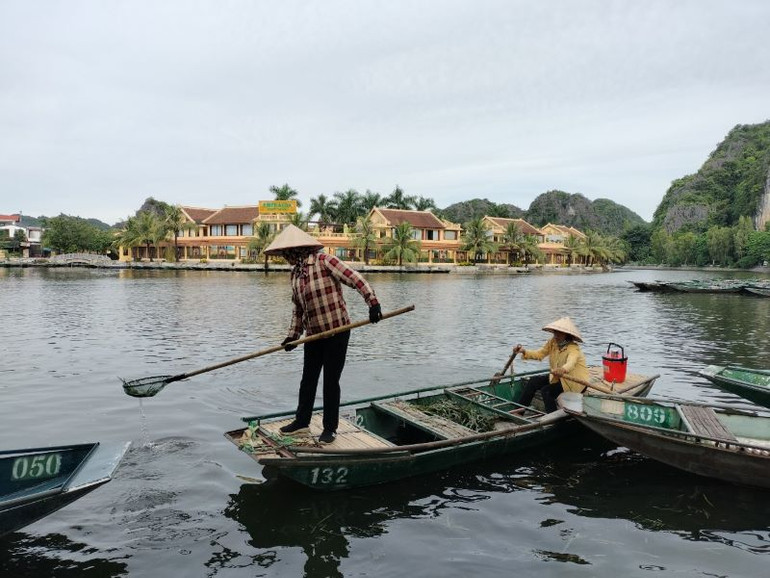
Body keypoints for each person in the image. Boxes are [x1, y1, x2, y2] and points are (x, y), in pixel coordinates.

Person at [263, 225, 382, 444]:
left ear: (297, 251)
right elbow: (298, 309)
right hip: (314, 336)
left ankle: (330, 428)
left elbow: (355, 279)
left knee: (330, 381)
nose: (286, 257)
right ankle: (301, 422)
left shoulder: (325, 261)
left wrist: (372, 303)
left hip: (337, 331)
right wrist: (293, 337)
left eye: (287, 253)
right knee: (308, 380)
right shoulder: (295, 274)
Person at [512, 317, 589, 413]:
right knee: (533, 381)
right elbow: (540, 354)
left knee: (546, 391)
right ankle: (519, 412)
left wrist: (563, 369)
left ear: (567, 335)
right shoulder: (552, 343)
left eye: (559, 333)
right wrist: (524, 351)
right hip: (558, 377)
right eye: (555, 332)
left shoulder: (573, 349)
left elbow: (571, 362)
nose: (556, 335)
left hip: (574, 381)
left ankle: (552, 416)